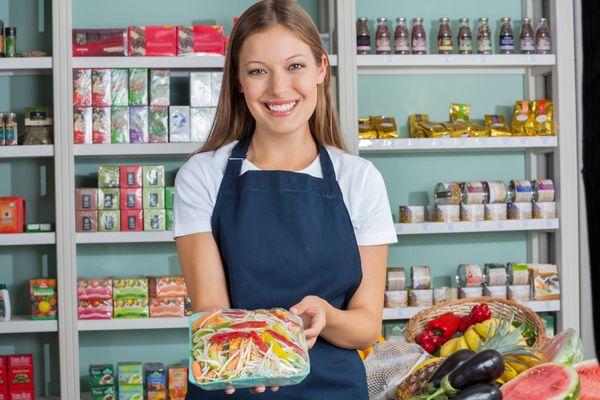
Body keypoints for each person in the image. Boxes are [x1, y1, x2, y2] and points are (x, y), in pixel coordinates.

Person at [174, 1, 397, 398]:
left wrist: (325, 317)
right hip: (232, 381)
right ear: (239, 81)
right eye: (258, 71)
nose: (278, 88)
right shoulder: (202, 175)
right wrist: (258, 356)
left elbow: (366, 325)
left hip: (332, 389)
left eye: (294, 66)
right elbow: (212, 311)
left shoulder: (359, 179)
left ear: (320, 69)